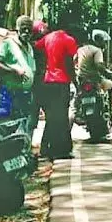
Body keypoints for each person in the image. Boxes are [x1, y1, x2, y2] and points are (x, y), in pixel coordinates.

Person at [34, 21, 79, 160]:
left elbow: (35, 47)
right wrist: (75, 81)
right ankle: (62, 149)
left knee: (52, 117)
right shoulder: (69, 40)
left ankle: (47, 148)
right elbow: (68, 63)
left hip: (47, 81)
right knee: (62, 117)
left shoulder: (48, 38)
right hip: (61, 82)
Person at [0, 16, 36, 138]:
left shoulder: (29, 47)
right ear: (18, 29)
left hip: (25, 93)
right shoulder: (8, 43)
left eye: (29, 30)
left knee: (22, 123)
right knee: (7, 125)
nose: (26, 33)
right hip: (10, 92)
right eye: (24, 29)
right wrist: (12, 70)